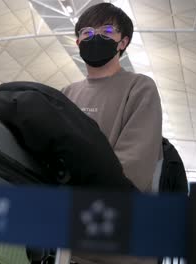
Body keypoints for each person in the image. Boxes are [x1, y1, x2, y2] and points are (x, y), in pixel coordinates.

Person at [62, 3, 162, 264]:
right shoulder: (65, 94)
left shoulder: (140, 88)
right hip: (67, 247)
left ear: (123, 42)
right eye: (87, 32)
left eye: (107, 30)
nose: (95, 37)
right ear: (77, 41)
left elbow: (132, 168)